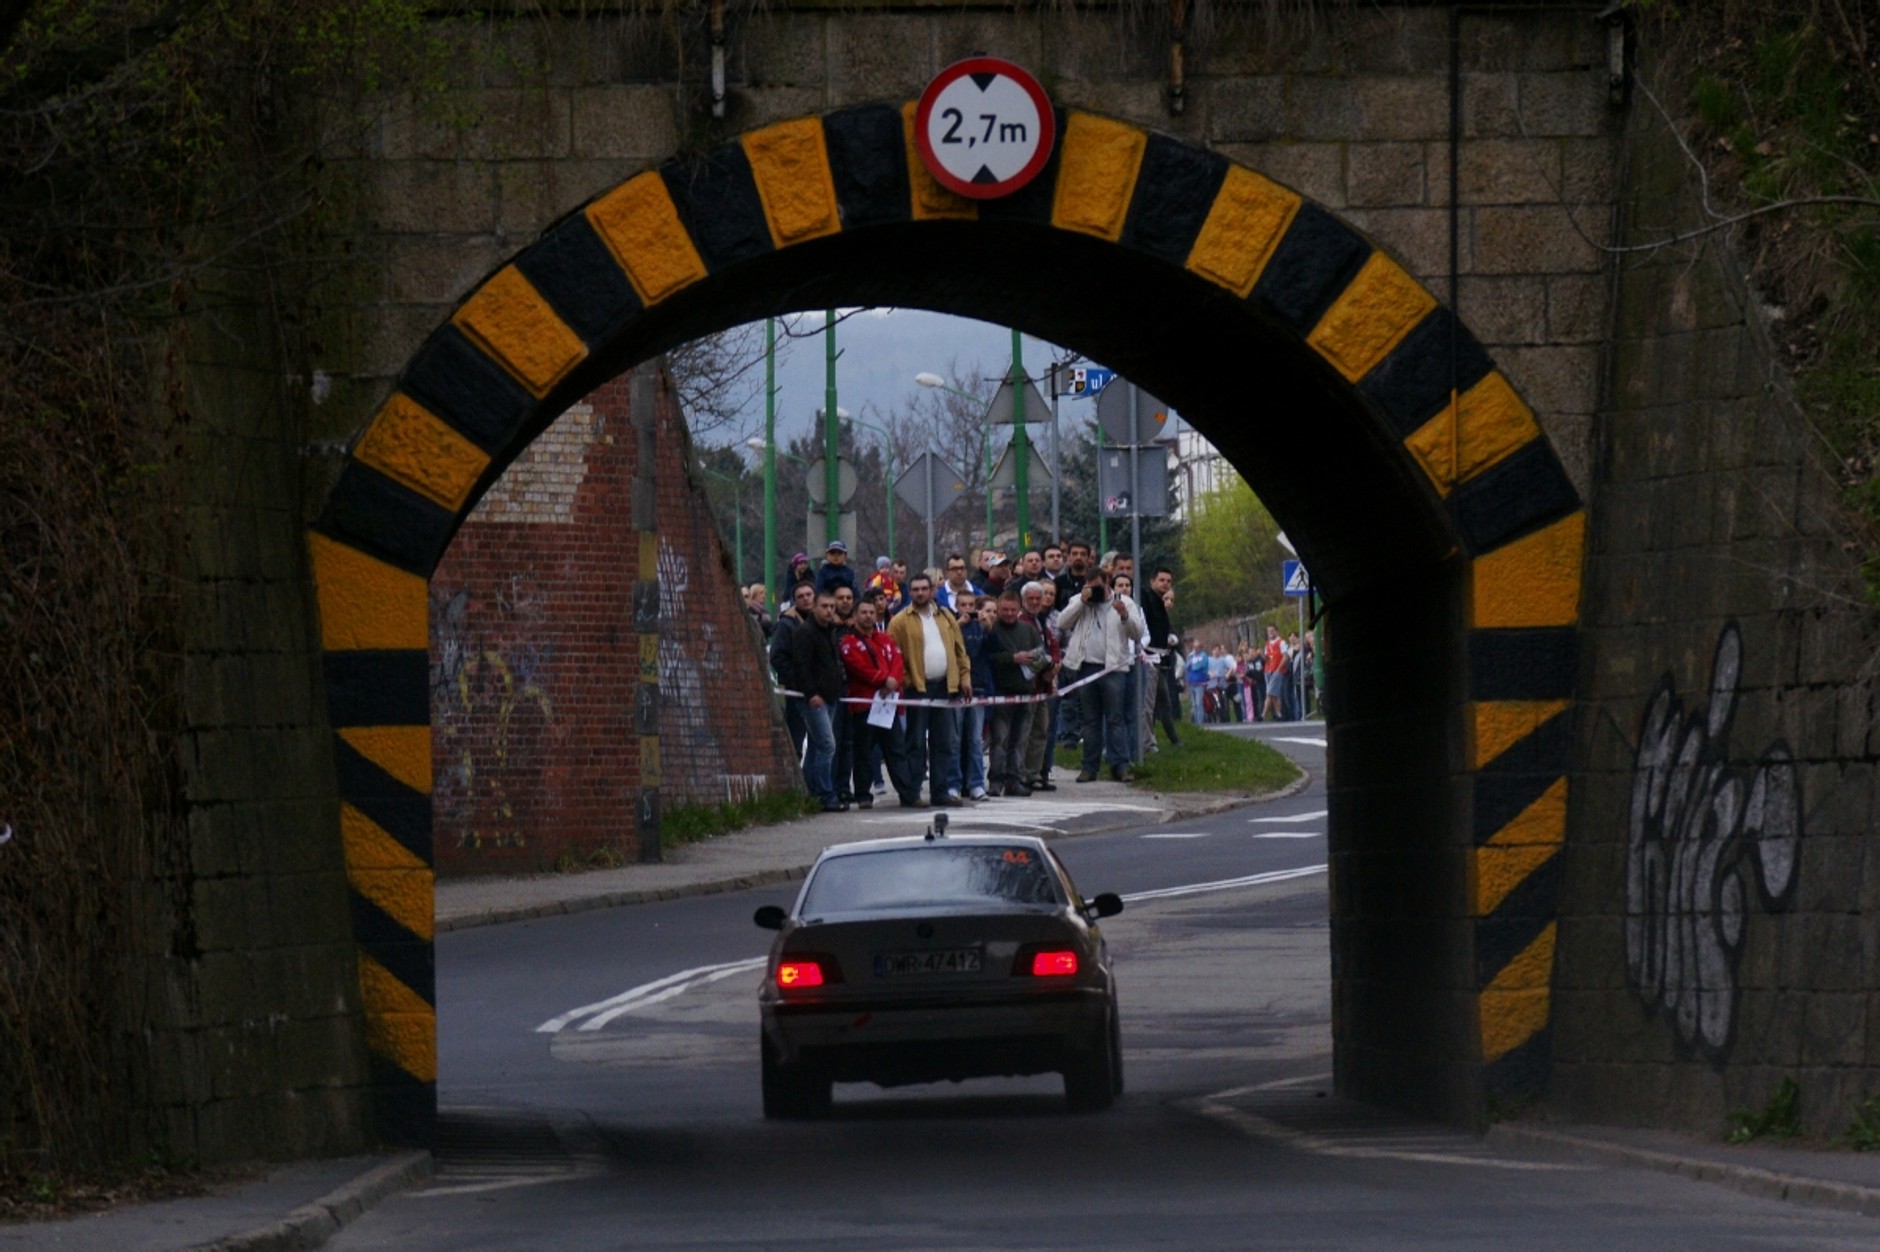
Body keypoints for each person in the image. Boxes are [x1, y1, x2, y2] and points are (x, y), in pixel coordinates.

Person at [887, 573, 971, 807]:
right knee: (915, 743)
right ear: (910, 593)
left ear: (933, 591)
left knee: (944, 742)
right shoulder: (900, 620)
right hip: (918, 689)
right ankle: (912, 793)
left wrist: (964, 678)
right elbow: (892, 654)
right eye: (915, 589)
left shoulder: (945, 616)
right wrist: (906, 679)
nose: (920, 593)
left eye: (924, 588)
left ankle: (940, 791)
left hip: (945, 687)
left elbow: (959, 651)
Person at [1056, 568, 1142, 782]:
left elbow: (1137, 633)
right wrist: (1082, 602)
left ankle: (1120, 765)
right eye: (1090, 586)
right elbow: (1062, 623)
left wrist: (1124, 615)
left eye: (1098, 587)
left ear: (1108, 584)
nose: (1094, 590)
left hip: (1113, 668)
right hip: (1087, 668)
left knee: (1115, 718)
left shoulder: (1125, 602)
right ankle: (1089, 767)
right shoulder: (1081, 600)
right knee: (1090, 720)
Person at [838, 598, 917, 810]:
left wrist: (893, 682)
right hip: (865, 705)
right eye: (863, 612)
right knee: (863, 752)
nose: (868, 616)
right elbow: (858, 667)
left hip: (888, 706)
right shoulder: (848, 642)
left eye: (871, 612)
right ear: (855, 616)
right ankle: (863, 794)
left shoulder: (886, 639)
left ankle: (908, 795)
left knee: (896, 750)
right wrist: (884, 680)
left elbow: (898, 662)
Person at [789, 591, 847, 811]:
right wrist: (811, 693)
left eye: (832, 607)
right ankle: (825, 793)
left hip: (830, 696)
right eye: (825, 606)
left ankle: (809, 793)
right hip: (815, 699)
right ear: (814, 607)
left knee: (816, 747)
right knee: (826, 745)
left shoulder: (829, 631)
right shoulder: (805, 632)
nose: (829, 610)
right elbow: (801, 666)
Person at [987, 590, 1044, 796]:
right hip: (1001, 693)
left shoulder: (1028, 630)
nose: (1009, 613)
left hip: (1026, 693)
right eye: (1005, 610)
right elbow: (988, 657)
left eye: (1013, 610)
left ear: (1019, 609)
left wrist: (1046, 669)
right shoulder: (992, 630)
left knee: (1020, 740)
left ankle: (1015, 780)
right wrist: (1013, 658)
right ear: (998, 608)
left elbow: (1041, 656)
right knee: (1000, 740)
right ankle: (996, 780)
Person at [1019, 580, 1062, 792]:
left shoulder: (1040, 622)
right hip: (1027, 688)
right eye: (1031, 599)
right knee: (1024, 734)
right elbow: (1026, 652)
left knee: (1040, 732)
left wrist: (1055, 665)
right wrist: (1047, 669)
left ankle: (1033, 773)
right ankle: (1020, 774)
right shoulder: (1020, 621)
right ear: (1023, 600)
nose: (1036, 602)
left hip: (1042, 690)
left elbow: (1052, 645)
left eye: (1039, 598)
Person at [768, 582, 817, 757]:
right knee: (796, 739)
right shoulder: (786, 624)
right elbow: (777, 657)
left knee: (822, 743)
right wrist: (797, 681)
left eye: (809, 594)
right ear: (794, 600)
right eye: (801, 596)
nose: (806, 599)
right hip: (797, 692)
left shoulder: (823, 621)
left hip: (821, 691)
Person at [954, 591, 993, 802]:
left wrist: (989, 626)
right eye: (963, 605)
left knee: (976, 740)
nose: (967, 609)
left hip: (978, 688)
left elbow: (994, 649)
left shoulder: (982, 626)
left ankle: (976, 783)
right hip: (956, 690)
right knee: (955, 739)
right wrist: (958, 624)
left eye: (971, 605)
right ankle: (955, 783)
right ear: (956, 606)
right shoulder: (951, 624)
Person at [1114, 572, 1152, 763]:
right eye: (1119, 585)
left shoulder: (1138, 609)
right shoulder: (1109, 610)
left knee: (1134, 710)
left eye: (1127, 585)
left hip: (1135, 662)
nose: (1124, 588)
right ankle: (1115, 751)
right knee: (1115, 712)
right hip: (1115, 665)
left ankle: (1134, 751)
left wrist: (1139, 646)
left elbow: (1145, 634)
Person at [1142, 570, 1182, 747]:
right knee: (1148, 703)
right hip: (1148, 657)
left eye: (1168, 581)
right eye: (1162, 580)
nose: (1165, 584)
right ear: (1152, 581)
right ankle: (1148, 742)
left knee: (1164, 701)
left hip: (1160, 660)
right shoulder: (1147, 599)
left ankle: (1174, 739)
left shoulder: (1160, 604)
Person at [1262, 625, 1290, 723]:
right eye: (1269, 631)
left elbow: (1285, 656)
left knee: (1269, 692)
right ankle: (1279, 714)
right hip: (1268, 670)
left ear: (1276, 631)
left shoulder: (1281, 642)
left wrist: (1279, 669)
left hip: (1276, 670)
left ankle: (1263, 714)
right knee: (1275, 693)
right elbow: (1266, 658)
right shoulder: (1267, 644)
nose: (1271, 633)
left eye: (1272, 631)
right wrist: (1263, 657)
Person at [1185, 641, 1209, 727]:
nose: (1195, 649)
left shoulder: (1204, 656)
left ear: (1200, 647)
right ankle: (1195, 722)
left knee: (1199, 703)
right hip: (1192, 682)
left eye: (1197, 647)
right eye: (1194, 647)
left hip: (1200, 682)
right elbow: (1186, 666)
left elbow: (1199, 667)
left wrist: (1192, 665)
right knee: (1194, 704)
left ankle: (1200, 722)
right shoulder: (1190, 656)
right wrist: (1190, 660)